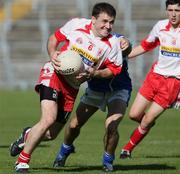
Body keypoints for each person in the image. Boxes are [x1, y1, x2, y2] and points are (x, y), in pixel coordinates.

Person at [10, 2, 128, 172]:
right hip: (54, 74)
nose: (108, 26)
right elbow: (53, 39)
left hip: (72, 88)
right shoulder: (76, 24)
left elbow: (113, 71)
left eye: (111, 22)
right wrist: (52, 53)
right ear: (93, 19)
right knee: (48, 119)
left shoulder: (113, 44)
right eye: (104, 21)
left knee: (50, 134)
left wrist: (94, 73)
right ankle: (22, 161)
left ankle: (28, 134)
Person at [52, 49, 132, 172]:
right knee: (74, 126)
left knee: (112, 127)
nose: (107, 28)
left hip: (118, 90)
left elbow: (127, 47)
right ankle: (65, 150)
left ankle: (108, 161)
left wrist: (127, 44)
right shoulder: (86, 42)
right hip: (95, 90)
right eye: (103, 27)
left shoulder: (116, 41)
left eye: (109, 27)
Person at [120, 0, 180, 159]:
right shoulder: (160, 26)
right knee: (134, 115)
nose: (173, 14)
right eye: (170, 10)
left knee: (146, 120)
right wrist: (121, 56)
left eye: (177, 10)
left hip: (172, 84)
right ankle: (147, 123)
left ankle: (127, 149)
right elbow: (145, 46)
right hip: (154, 77)